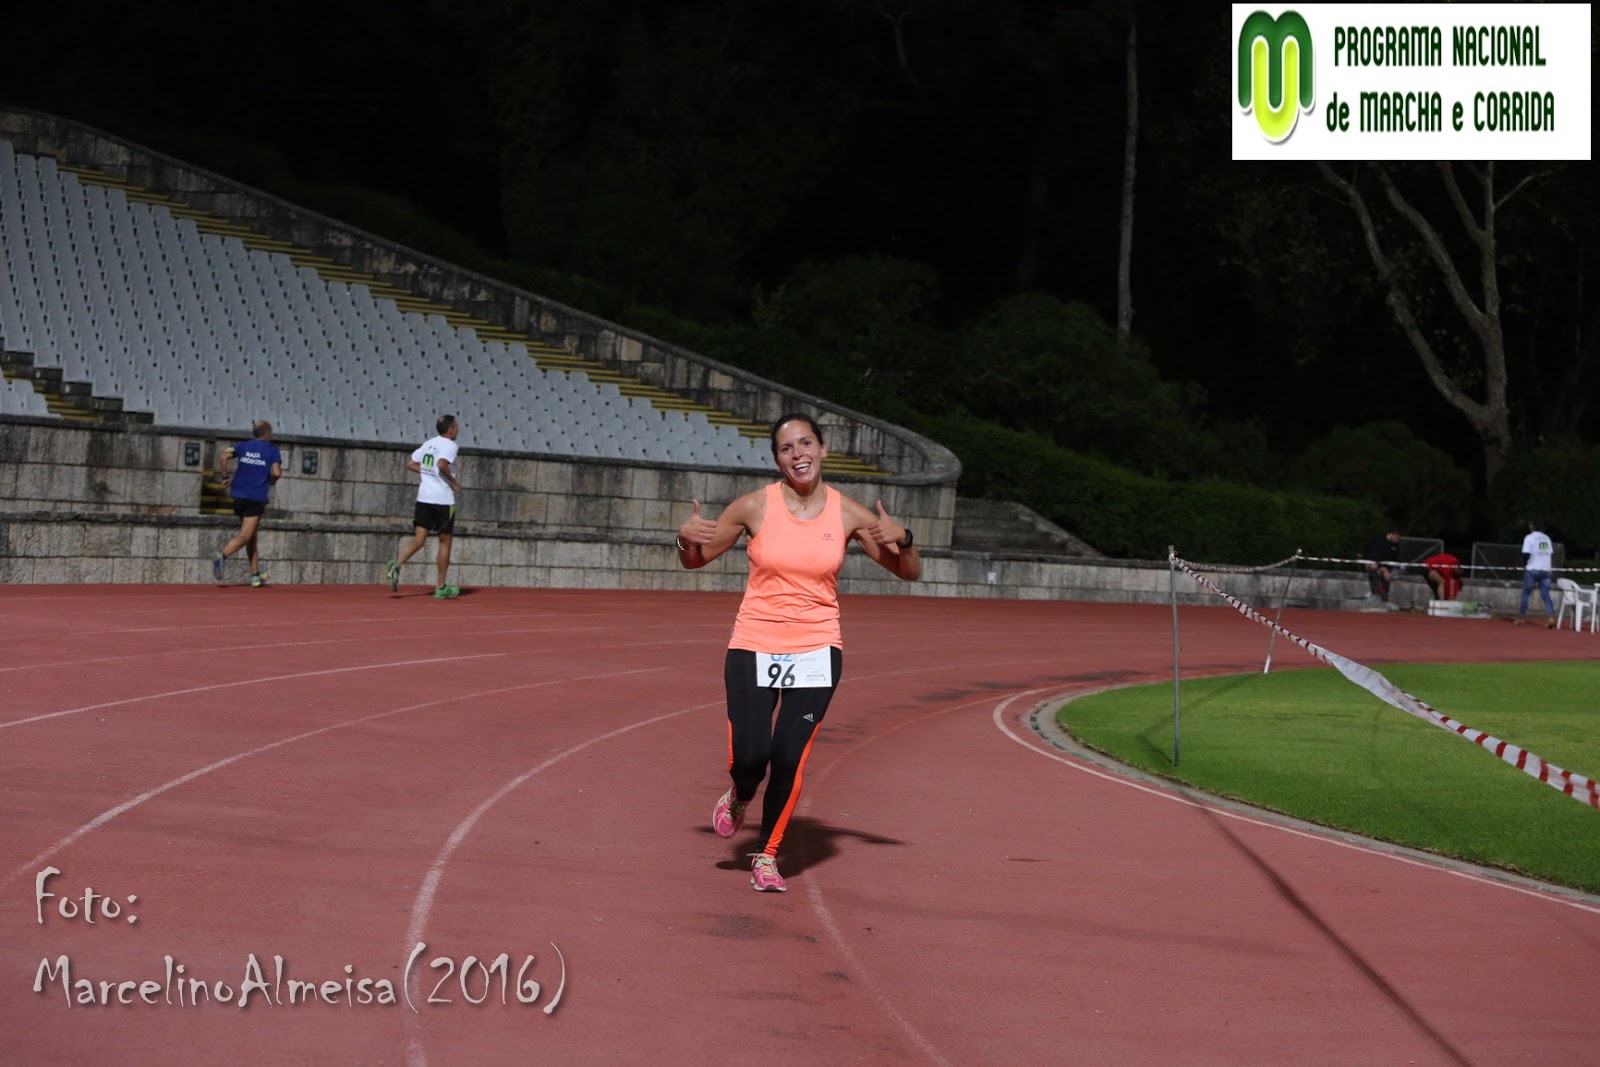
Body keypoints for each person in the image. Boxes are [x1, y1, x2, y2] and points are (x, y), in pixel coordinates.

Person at [675, 412, 922, 893]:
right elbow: (695, 559)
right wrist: (684, 538)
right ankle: (741, 792)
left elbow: (907, 571)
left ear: (823, 449)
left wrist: (905, 539)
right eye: (787, 448)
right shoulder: (753, 507)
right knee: (751, 757)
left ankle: (766, 855)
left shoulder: (849, 514)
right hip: (754, 644)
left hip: (816, 648)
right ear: (777, 460)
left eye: (806, 443)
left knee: (789, 757)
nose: (798, 454)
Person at [385, 415, 463, 599]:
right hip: (442, 500)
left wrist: (429, 472)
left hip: (424, 498)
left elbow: (410, 463)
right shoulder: (450, 445)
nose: (458, 430)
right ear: (450, 429)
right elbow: (442, 464)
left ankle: (397, 564)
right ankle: (441, 587)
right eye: (456, 427)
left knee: (419, 540)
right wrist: (454, 484)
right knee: (445, 542)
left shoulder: (429, 443)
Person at [212, 420, 282, 587]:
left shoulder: (243, 446)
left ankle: (255, 576)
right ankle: (221, 556)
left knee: (252, 536)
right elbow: (277, 472)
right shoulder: (272, 450)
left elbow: (223, 457)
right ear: (267, 434)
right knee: (245, 536)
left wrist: (225, 478)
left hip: (238, 495)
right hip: (255, 497)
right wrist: (272, 480)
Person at [1517, 521, 1556, 627]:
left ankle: (1522, 617)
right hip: (1546, 570)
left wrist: (1525, 563)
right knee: (1546, 595)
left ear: (1532, 527)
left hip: (1532, 569)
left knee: (1526, 594)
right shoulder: (1547, 538)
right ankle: (1551, 618)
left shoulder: (1529, 538)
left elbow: (1526, 554)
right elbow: (1549, 553)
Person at [1361, 529, 1401, 604]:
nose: (1396, 540)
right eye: (1396, 538)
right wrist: (1365, 559)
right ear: (1391, 534)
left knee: (1386, 575)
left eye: (1398, 539)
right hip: (1372, 562)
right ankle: (1375, 592)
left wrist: (1388, 569)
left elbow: (1395, 560)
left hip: (1384, 566)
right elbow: (1366, 547)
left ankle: (1384, 597)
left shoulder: (1396, 545)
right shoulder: (1378, 538)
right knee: (1373, 566)